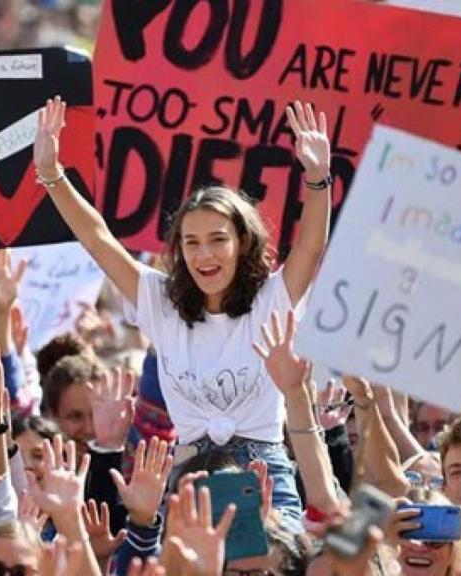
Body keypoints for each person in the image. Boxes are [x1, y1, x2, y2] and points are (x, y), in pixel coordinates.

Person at [32, 96, 333, 528]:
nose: (204, 254)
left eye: (217, 239)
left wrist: (318, 178)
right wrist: (51, 174)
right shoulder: (160, 301)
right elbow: (98, 239)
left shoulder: (272, 298)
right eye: (191, 242)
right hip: (190, 479)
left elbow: (311, 247)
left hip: (265, 475)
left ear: (242, 243)